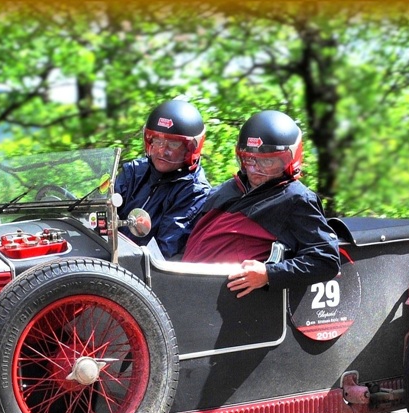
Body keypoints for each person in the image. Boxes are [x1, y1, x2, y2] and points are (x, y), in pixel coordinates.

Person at [181, 109, 339, 298]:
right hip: (185, 288)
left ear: (289, 160)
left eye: (267, 162)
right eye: (249, 159)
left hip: (229, 304)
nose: (255, 169)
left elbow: (326, 260)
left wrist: (269, 274)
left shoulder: (296, 199)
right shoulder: (229, 188)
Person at [114, 100, 212, 259]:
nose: (162, 151)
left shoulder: (194, 191)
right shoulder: (134, 171)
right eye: (157, 141)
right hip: (107, 261)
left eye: (173, 144)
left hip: (143, 275)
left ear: (191, 148)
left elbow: (162, 251)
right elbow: (101, 215)